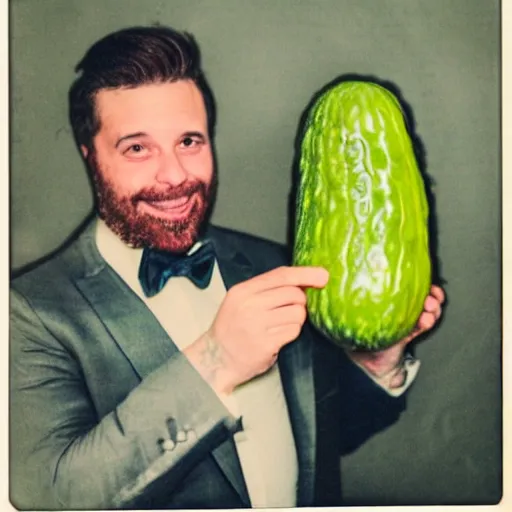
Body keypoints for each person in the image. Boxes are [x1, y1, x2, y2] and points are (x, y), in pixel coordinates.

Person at [9, 25, 445, 510]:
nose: (173, 175)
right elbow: (51, 497)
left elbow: (317, 440)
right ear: (91, 156)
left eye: (189, 142)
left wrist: (377, 362)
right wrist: (217, 360)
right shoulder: (28, 312)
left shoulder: (271, 265)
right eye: (137, 147)